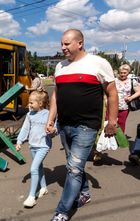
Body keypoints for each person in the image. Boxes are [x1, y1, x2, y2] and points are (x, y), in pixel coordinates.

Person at [46, 29, 118, 221]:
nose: (63, 48)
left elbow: (112, 93)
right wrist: (51, 119)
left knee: (75, 169)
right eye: (62, 44)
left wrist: (112, 121)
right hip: (64, 125)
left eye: (67, 44)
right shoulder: (60, 66)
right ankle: (84, 192)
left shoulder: (98, 63)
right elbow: (56, 94)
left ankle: (62, 212)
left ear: (80, 43)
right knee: (74, 166)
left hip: (87, 126)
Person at [15, 90, 56, 208]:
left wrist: (53, 131)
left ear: (40, 103)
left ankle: (32, 197)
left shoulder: (49, 114)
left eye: (32, 103)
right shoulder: (29, 115)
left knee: (33, 168)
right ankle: (43, 188)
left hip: (43, 146)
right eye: (29, 102)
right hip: (32, 145)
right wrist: (19, 141)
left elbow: (55, 127)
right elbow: (25, 129)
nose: (29, 105)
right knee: (39, 167)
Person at [114, 64, 140, 132]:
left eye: (125, 73)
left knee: (121, 124)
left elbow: (139, 92)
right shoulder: (114, 81)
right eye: (121, 73)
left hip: (124, 107)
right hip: (112, 106)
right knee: (110, 123)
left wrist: (131, 98)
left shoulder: (132, 81)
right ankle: (109, 140)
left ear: (128, 73)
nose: (122, 74)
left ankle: (120, 141)